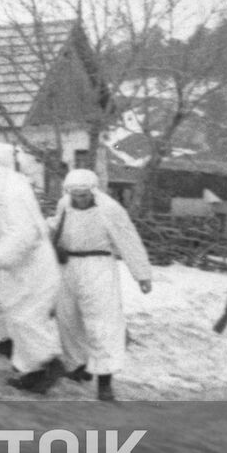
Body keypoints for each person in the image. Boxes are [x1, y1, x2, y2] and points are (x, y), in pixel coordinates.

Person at [49, 169, 153, 402]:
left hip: (99, 266)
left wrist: (142, 274)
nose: (79, 199)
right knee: (67, 317)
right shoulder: (64, 204)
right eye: (75, 194)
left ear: (93, 190)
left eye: (84, 195)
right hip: (68, 265)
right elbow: (58, 228)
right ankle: (77, 364)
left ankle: (105, 379)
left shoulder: (110, 209)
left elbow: (128, 239)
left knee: (102, 322)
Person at [0, 141, 64, 394]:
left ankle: (48, 363)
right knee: (18, 316)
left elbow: (24, 232)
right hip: (21, 266)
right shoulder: (4, 188)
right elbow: (9, 228)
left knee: (27, 317)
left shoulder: (12, 190)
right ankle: (33, 371)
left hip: (32, 266)